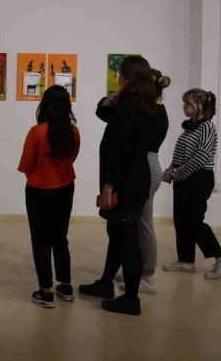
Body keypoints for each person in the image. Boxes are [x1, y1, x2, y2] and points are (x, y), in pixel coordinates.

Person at [78, 56, 156, 316]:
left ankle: (131, 299)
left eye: (120, 75)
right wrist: (120, 91)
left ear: (128, 78)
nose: (117, 78)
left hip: (125, 183)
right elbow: (102, 111)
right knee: (118, 234)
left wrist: (109, 186)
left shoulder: (129, 109)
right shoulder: (140, 105)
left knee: (127, 240)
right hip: (133, 180)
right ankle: (105, 284)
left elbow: (120, 152)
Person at [18, 86, 81, 309]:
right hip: (65, 187)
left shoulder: (37, 132)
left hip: (38, 190)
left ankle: (45, 292)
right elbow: (72, 159)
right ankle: (66, 286)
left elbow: (26, 165)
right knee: (60, 237)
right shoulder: (73, 132)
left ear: (44, 105)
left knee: (41, 240)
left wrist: (38, 176)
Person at [162, 89, 221, 279]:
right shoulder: (190, 128)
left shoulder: (207, 127)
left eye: (187, 104)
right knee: (181, 220)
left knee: (194, 222)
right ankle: (186, 261)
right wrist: (170, 171)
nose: (184, 107)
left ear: (200, 107)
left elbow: (200, 158)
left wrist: (174, 173)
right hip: (184, 179)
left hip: (199, 179)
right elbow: (179, 155)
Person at [116, 69, 171, 294]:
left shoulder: (152, 111)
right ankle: (136, 270)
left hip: (146, 166)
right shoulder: (155, 109)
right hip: (147, 164)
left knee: (144, 224)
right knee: (138, 223)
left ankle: (147, 277)